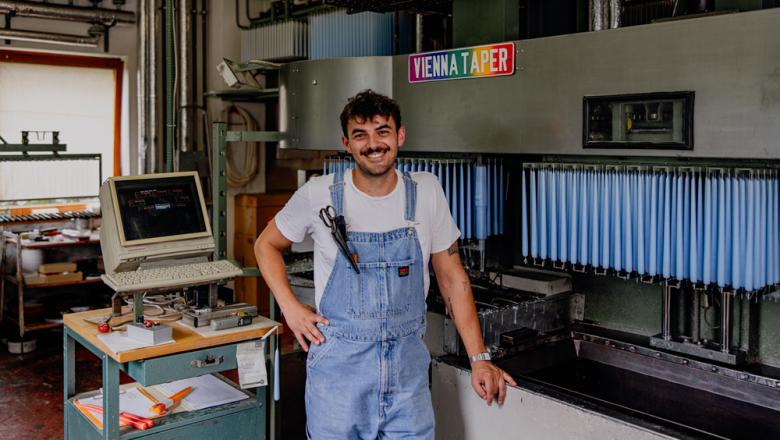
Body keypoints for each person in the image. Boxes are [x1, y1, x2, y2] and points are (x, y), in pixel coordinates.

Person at [254, 89, 516, 439]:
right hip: (338, 378)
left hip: (407, 378)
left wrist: (479, 357)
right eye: (360, 134)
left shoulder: (426, 191)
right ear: (347, 143)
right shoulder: (320, 194)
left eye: (382, 131)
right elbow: (265, 244)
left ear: (400, 136)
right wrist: (291, 308)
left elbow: (452, 277)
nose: (373, 144)